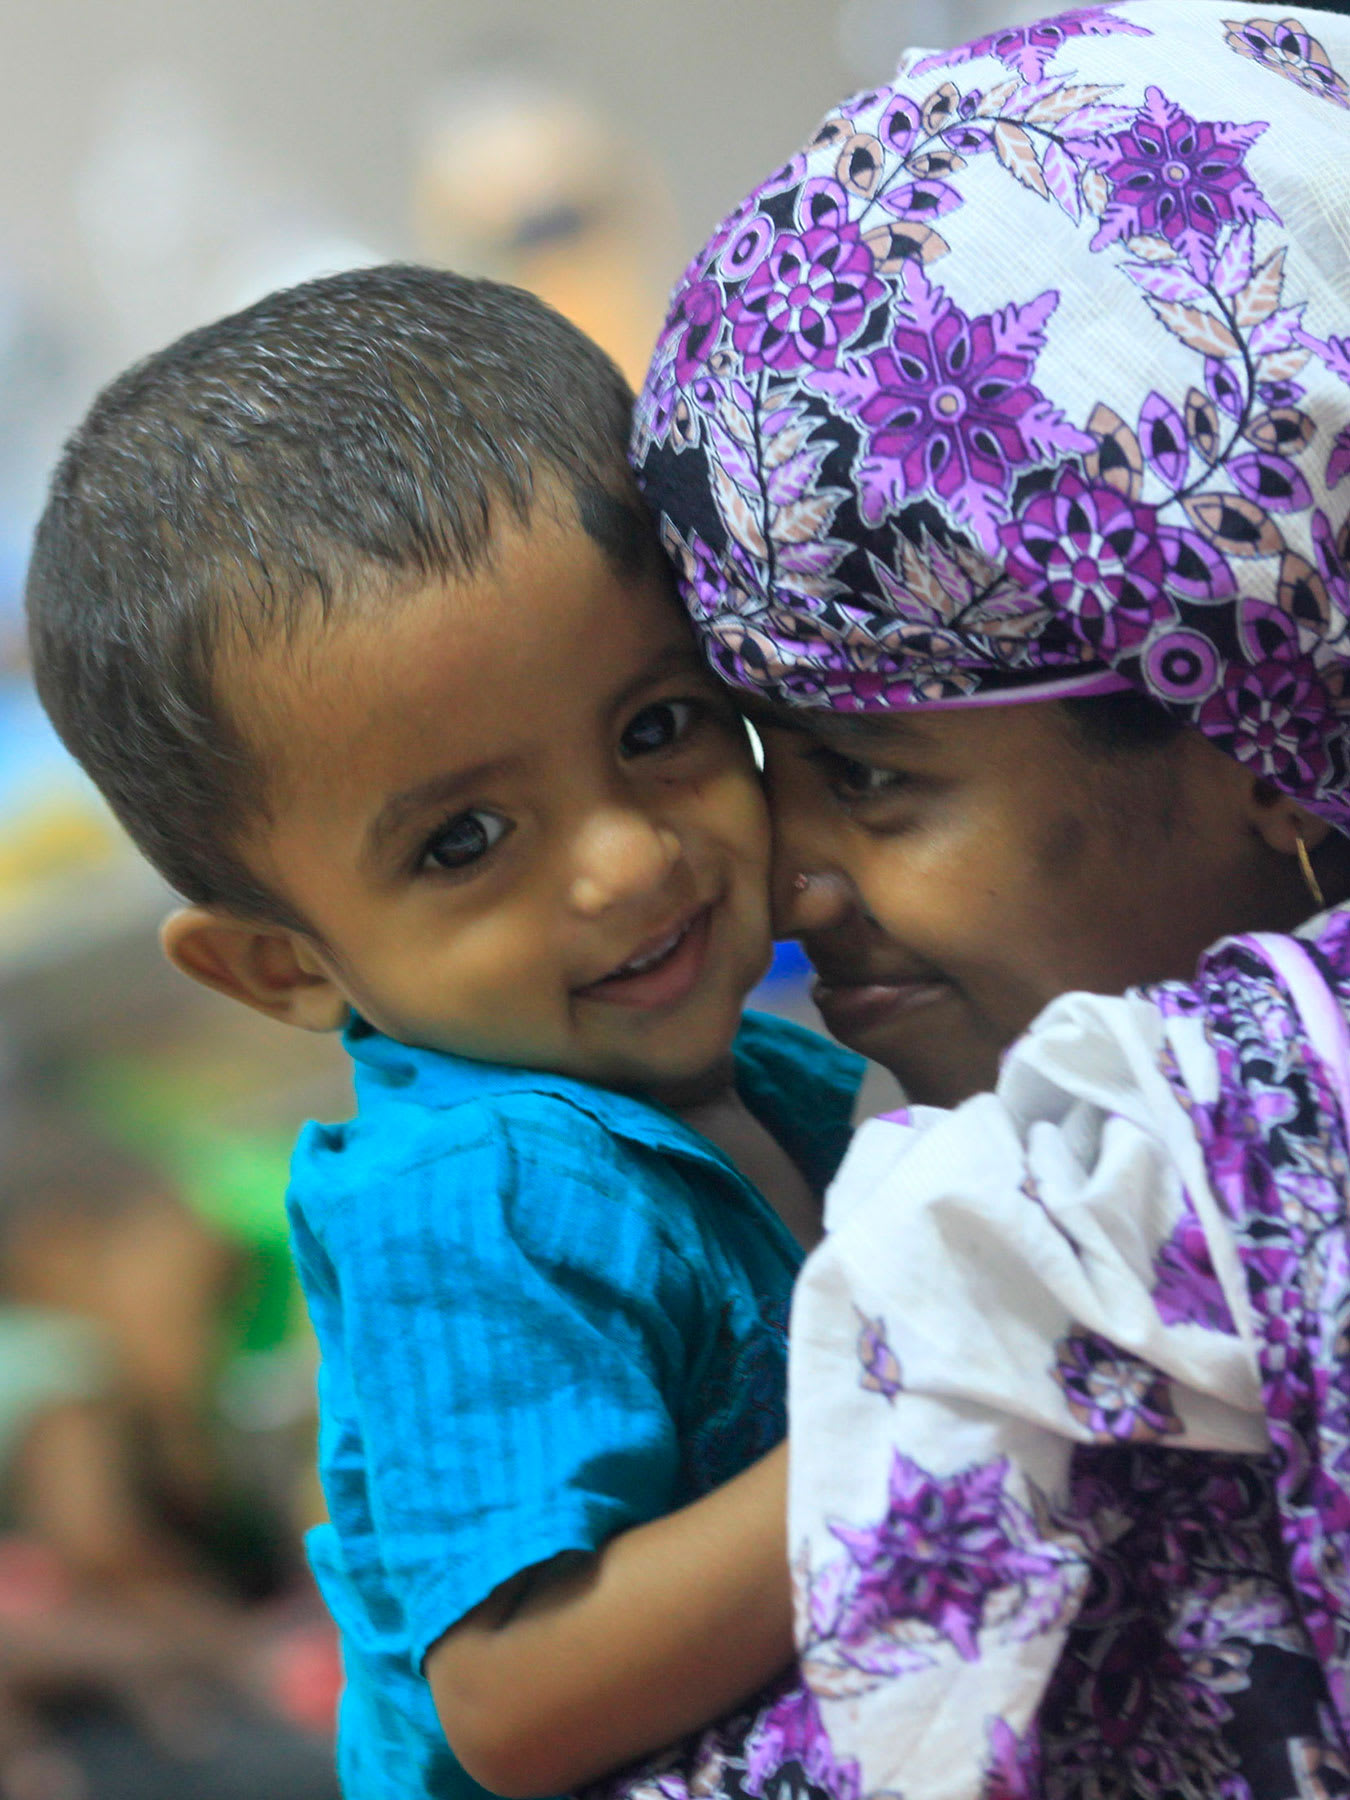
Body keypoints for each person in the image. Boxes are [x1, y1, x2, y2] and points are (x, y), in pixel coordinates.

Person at [630, 3, 1350, 1795]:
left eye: (871, 775)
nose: (784, 884)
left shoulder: (1114, 1211)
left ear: (1265, 736)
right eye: (752, 758)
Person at [22, 265, 863, 1800]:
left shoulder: (740, 1068)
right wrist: (933, 1425)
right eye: (466, 840)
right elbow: (516, 1694)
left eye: (656, 728)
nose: (623, 862)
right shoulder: (480, 1191)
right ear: (280, 967)